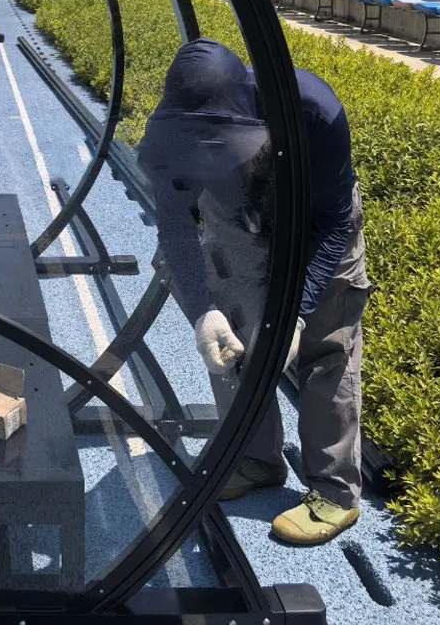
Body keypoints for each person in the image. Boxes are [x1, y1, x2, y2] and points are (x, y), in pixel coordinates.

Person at [137, 38, 371, 546]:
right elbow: (175, 229)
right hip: (235, 225)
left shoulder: (312, 111)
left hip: (314, 223)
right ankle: (255, 458)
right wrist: (203, 313)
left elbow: (332, 222)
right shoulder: (167, 140)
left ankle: (334, 490)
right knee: (233, 341)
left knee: (326, 351)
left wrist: (298, 314)